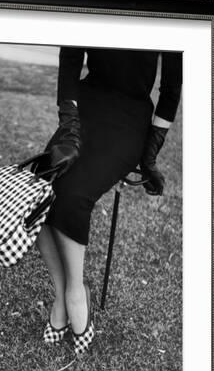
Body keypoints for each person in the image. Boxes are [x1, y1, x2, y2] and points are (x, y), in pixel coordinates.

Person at [36, 46, 182, 355]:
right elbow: (71, 56)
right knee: (42, 188)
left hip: (130, 118)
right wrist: (69, 120)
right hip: (85, 107)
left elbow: (170, 90)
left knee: (73, 196)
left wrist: (151, 150)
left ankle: (77, 292)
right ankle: (62, 294)